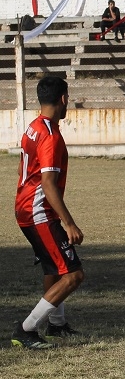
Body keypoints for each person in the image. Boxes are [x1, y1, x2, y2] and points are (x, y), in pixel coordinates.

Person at [12, 76, 85, 350]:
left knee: (53, 268)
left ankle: (56, 324)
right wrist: (69, 223)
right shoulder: (50, 136)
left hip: (27, 208)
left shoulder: (34, 127)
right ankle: (26, 329)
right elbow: (48, 183)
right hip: (39, 212)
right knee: (74, 275)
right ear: (63, 99)